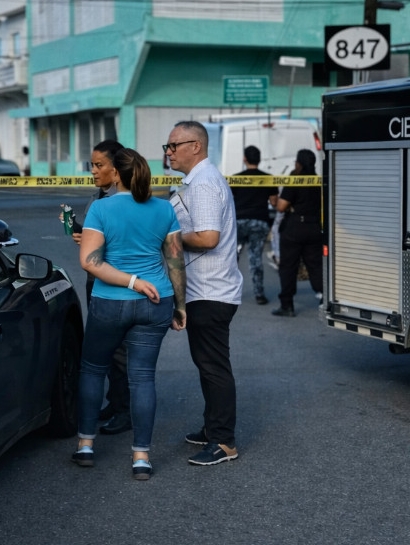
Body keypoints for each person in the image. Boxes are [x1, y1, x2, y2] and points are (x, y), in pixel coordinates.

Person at [73, 148, 186, 481]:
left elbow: (90, 261)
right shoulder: (164, 208)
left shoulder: (101, 208)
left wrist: (131, 282)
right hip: (157, 302)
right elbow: (176, 263)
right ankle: (140, 457)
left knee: (93, 369)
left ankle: (85, 445)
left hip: (109, 301)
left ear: (117, 174)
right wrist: (179, 305)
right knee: (142, 378)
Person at [165, 120, 242, 466]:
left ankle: (224, 442)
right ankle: (213, 429)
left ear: (195, 146)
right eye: (167, 147)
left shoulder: (206, 184)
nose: (168, 152)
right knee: (206, 365)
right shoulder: (196, 182)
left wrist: (169, 239)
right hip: (204, 290)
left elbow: (208, 238)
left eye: (174, 146)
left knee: (213, 367)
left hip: (212, 291)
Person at [65, 139, 132, 435]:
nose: (93, 170)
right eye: (91, 165)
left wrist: (95, 242)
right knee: (107, 348)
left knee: (120, 351)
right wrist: (80, 232)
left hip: (115, 285)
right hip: (98, 283)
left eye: (99, 165)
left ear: (116, 169)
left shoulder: (124, 201)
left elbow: (126, 245)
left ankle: (126, 410)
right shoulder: (100, 196)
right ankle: (115, 402)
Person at [271, 149, 323, 317]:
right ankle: (326, 299)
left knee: (288, 267)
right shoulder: (318, 180)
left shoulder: (295, 179)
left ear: (298, 163)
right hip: (314, 227)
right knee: (315, 265)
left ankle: (287, 305)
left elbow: (281, 206)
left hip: (294, 228)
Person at [231, 146, 278, 305]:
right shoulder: (268, 178)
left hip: (239, 221)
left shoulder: (235, 178)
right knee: (255, 258)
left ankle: (229, 293)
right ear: (259, 159)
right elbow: (273, 202)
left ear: (245, 159)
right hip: (260, 221)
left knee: (232, 258)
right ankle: (259, 294)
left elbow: (230, 201)